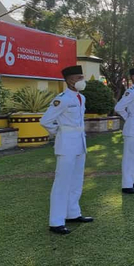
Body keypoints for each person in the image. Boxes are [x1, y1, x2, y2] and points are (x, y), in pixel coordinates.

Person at [40, 65, 92, 235]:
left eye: (82, 77)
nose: (81, 80)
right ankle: (56, 221)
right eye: (78, 77)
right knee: (62, 183)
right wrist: (60, 133)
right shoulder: (61, 99)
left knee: (77, 180)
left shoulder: (81, 98)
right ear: (69, 80)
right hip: (67, 144)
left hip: (80, 143)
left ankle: (73, 213)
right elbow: (46, 121)